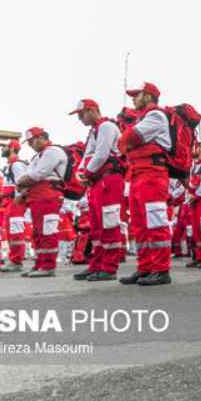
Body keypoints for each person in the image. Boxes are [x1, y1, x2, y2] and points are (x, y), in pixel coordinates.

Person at [118, 82, 173, 286]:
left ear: (149, 96)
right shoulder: (143, 118)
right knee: (140, 225)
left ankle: (160, 269)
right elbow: (124, 145)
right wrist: (125, 142)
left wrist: (125, 141)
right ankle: (145, 267)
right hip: (138, 174)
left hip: (152, 174)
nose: (133, 98)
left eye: (137, 95)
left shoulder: (156, 116)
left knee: (155, 222)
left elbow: (130, 138)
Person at [69, 99, 125, 281]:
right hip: (97, 181)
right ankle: (96, 264)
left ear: (93, 110)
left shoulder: (107, 127)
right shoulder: (95, 130)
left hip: (108, 179)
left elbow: (102, 153)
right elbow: (88, 156)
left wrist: (85, 173)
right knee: (96, 227)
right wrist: (81, 174)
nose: (80, 118)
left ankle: (109, 267)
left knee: (109, 222)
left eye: (81, 114)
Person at [16, 127, 69, 277]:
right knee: (38, 233)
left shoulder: (52, 151)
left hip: (49, 195)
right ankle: (40, 263)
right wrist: (23, 183)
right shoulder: (38, 156)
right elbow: (30, 175)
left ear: (41, 138)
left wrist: (21, 182)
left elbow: (38, 174)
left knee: (48, 231)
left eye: (32, 141)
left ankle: (48, 266)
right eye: (29, 142)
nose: (31, 145)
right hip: (38, 197)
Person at [0, 140, 29, 272]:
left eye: (4, 146)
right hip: (11, 202)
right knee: (12, 232)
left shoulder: (16, 165)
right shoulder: (11, 165)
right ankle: (14, 259)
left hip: (16, 202)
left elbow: (23, 183)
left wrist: (18, 198)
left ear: (11, 148)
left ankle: (17, 261)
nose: (2, 149)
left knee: (16, 232)